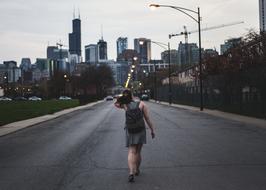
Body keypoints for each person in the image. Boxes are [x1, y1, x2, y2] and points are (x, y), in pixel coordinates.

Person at [114, 89, 155, 183]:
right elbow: (147, 119)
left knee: (132, 151)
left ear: (126, 96)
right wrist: (152, 130)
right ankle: (137, 170)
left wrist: (123, 98)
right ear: (132, 95)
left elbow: (116, 103)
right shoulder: (141, 104)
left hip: (130, 130)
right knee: (138, 151)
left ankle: (131, 172)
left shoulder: (125, 105)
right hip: (140, 129)